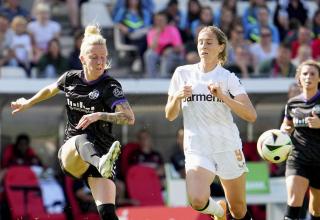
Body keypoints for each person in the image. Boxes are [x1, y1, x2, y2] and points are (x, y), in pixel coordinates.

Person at [10, 24, 135, 220]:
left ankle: (101, 163)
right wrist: (28, 102)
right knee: (80, 137)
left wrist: (99, 115)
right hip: (73, 155)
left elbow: (129, 117)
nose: (100, 62)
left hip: (102, 152)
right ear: (82, 58)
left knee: (108, 214)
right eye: (94, 57)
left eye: (103, 57)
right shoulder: (70, 78)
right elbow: (50, 89)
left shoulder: (110, 86)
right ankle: (100, 162)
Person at [165, 25, 257, 220]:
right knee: (197, 200)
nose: (203, 46)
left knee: (239, 210)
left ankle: (229, 211)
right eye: (200, 42)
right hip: (198, 148)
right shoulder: (182, 73)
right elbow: (170, 114)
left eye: (208, 42)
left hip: (227, 146)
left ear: (221, 47)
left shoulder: (228, 78)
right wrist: (177, 98)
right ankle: (218, 211)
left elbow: (251, 115)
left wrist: (224, 97)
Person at [280, 60, 320, 220]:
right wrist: (285, 130)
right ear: (299, 78)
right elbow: (286, 124)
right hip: (298, 157)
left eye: (312, 74)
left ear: (319, 78)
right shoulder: (292, 103)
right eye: (305, 74)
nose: (308, 77)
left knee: (317, 210)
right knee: (294, 200)